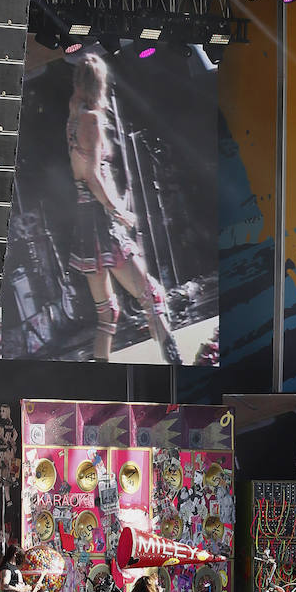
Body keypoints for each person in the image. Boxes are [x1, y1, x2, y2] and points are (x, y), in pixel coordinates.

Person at [66, 54, 180, 363]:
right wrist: (117, 209)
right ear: (99, 83)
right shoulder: (89, 118)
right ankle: (176, 367)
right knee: (151, 295)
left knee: (108, 313)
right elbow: (91, 175)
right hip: (101, 222)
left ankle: (100, 378)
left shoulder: (74, 116)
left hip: (87, 221)